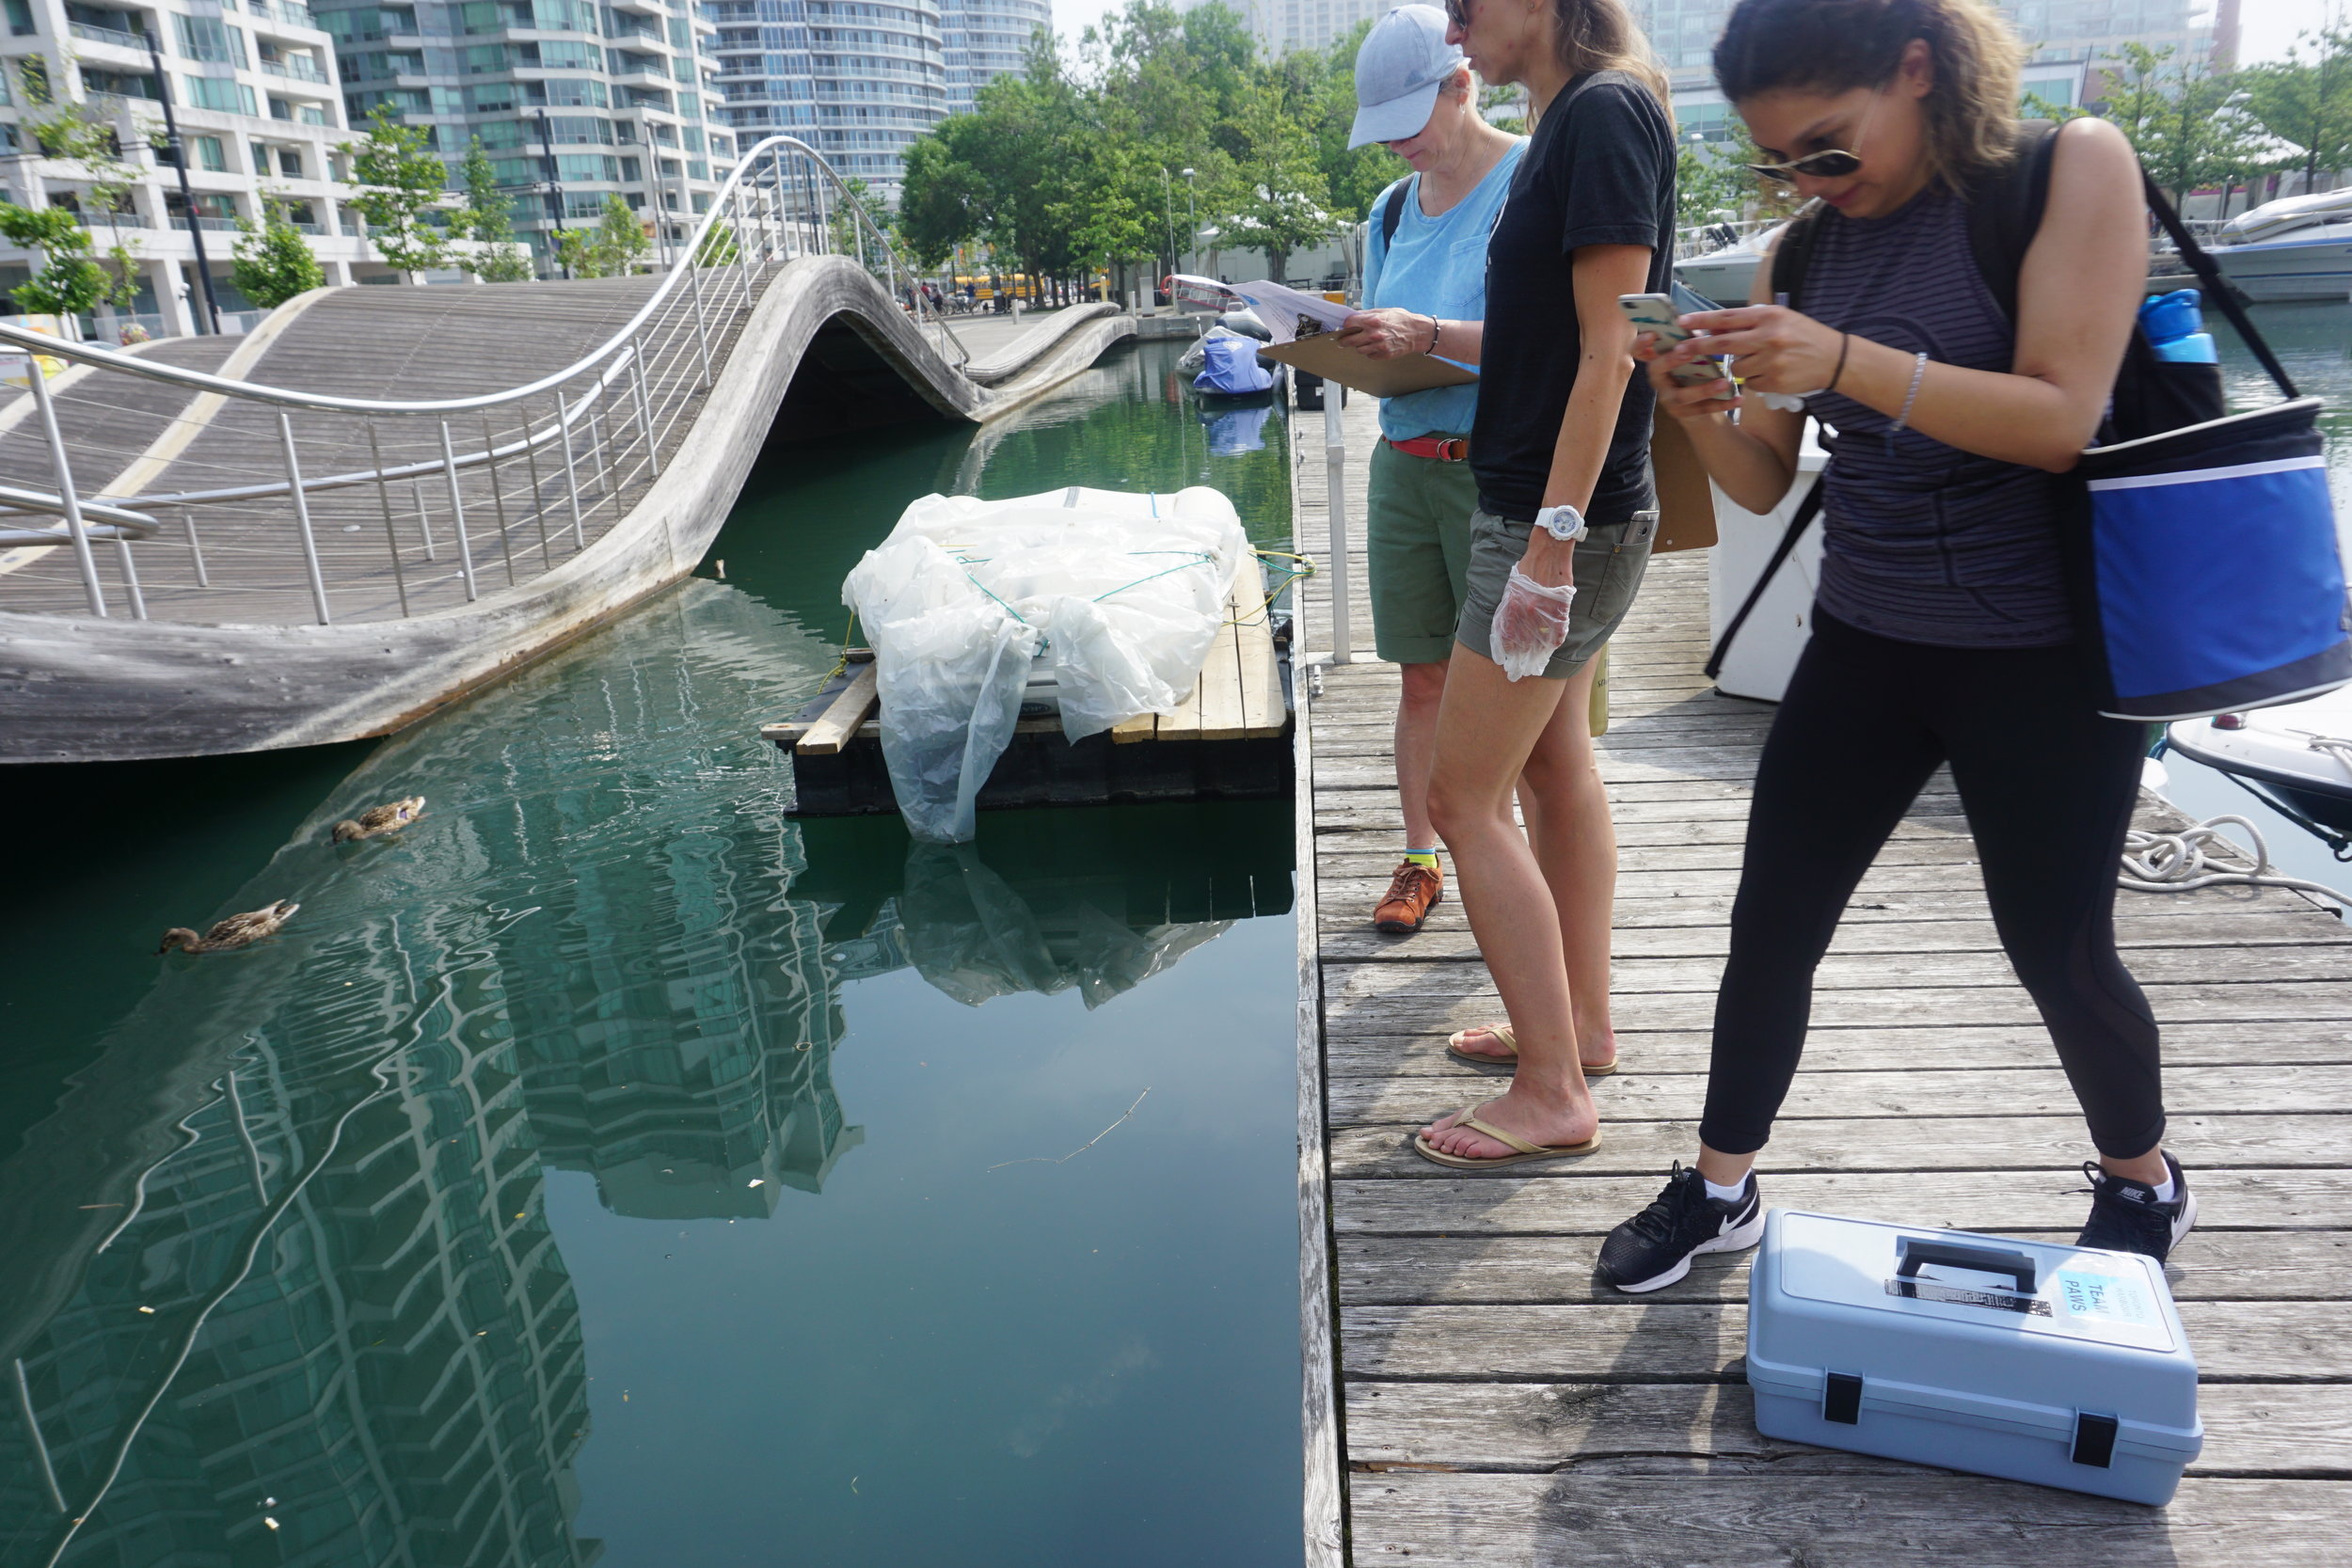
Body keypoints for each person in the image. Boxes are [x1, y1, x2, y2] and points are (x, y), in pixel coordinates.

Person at [1596, 0, 2184, 1291]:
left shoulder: (2063, 170)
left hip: (2046, 649)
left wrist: (1848, 359)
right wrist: (1695, 402)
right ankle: (1720, 1184)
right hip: (1866, 630)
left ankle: (2142, 1179)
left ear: (1918, 70)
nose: (1808, 181)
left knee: (2058, 944)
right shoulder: (1804, 251)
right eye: (1781, 162)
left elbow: (2059, 418)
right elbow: (1763, 481)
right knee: (1773, 920)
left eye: (1829, 147)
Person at [1409, 0, 1675, 1168]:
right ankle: (1583, 1029)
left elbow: (1614, 344)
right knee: (1557, 763)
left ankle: (1551, 1086)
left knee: (1463, 801)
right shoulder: (1573, 116)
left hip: (1550, 522)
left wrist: (1549, 546)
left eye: (1469, 0)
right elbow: (1554, 341)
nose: (1455, 20)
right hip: (1537, 509)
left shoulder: (1605, 111)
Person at [1329, 5, 1527, 937]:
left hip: (1491, 470)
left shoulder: (1529, 178)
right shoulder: (1389, 208)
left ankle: (1508, 860)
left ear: (1462, 84)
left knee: (1508, 696)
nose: (1398, 147)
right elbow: (1386, 330)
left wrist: (1427, 334)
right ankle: (1420, 857)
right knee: (1420, 680)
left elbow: (1556, 343)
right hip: (1401, 460)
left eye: (1409, 123)